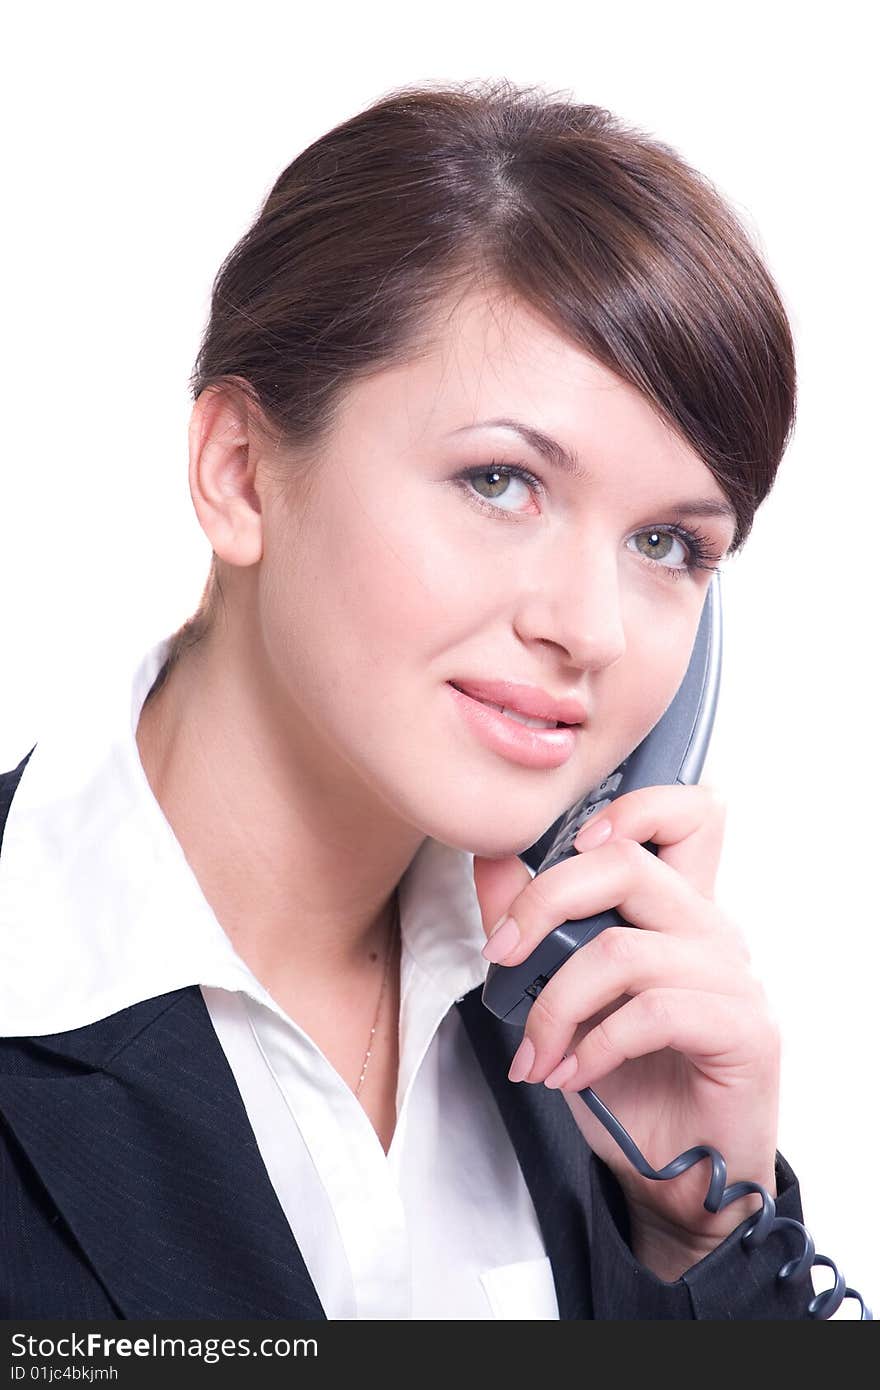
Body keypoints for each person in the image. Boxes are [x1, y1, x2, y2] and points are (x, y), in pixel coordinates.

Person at [0, 78, 831, 1320]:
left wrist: (692, 1228)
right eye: (501, 480)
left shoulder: (583, 1040)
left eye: (667, 546)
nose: (591, 629)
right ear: (239, 474)